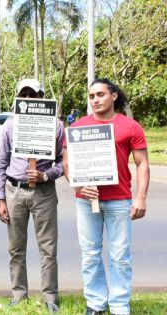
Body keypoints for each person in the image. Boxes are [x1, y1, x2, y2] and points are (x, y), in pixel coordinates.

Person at [63, 79, 149, 315]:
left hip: (120, 200)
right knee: (90, 254)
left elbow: (142, 164)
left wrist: (140, 198)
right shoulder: (78, 127)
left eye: (100, 94)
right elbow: (67, 164)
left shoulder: (130, 127)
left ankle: (120, 305)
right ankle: (96, 304)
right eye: (91, 96)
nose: (95, 100)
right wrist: (79, 187)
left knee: (120, 256)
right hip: (86, 201)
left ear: (113, 96)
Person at [0, 79, 65, 313]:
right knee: (15, 248)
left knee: (48, 249)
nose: (29, 99)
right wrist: (1, 199)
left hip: (43, 193)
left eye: (33, 94)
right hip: (15, 192)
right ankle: (18, 293)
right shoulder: (10, 126)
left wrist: (46, 175)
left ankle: (50, 297)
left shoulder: (56, 126)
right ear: (18, 99)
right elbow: (0, 164)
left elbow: (64, 163)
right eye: (24, 94)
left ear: (42, 97)